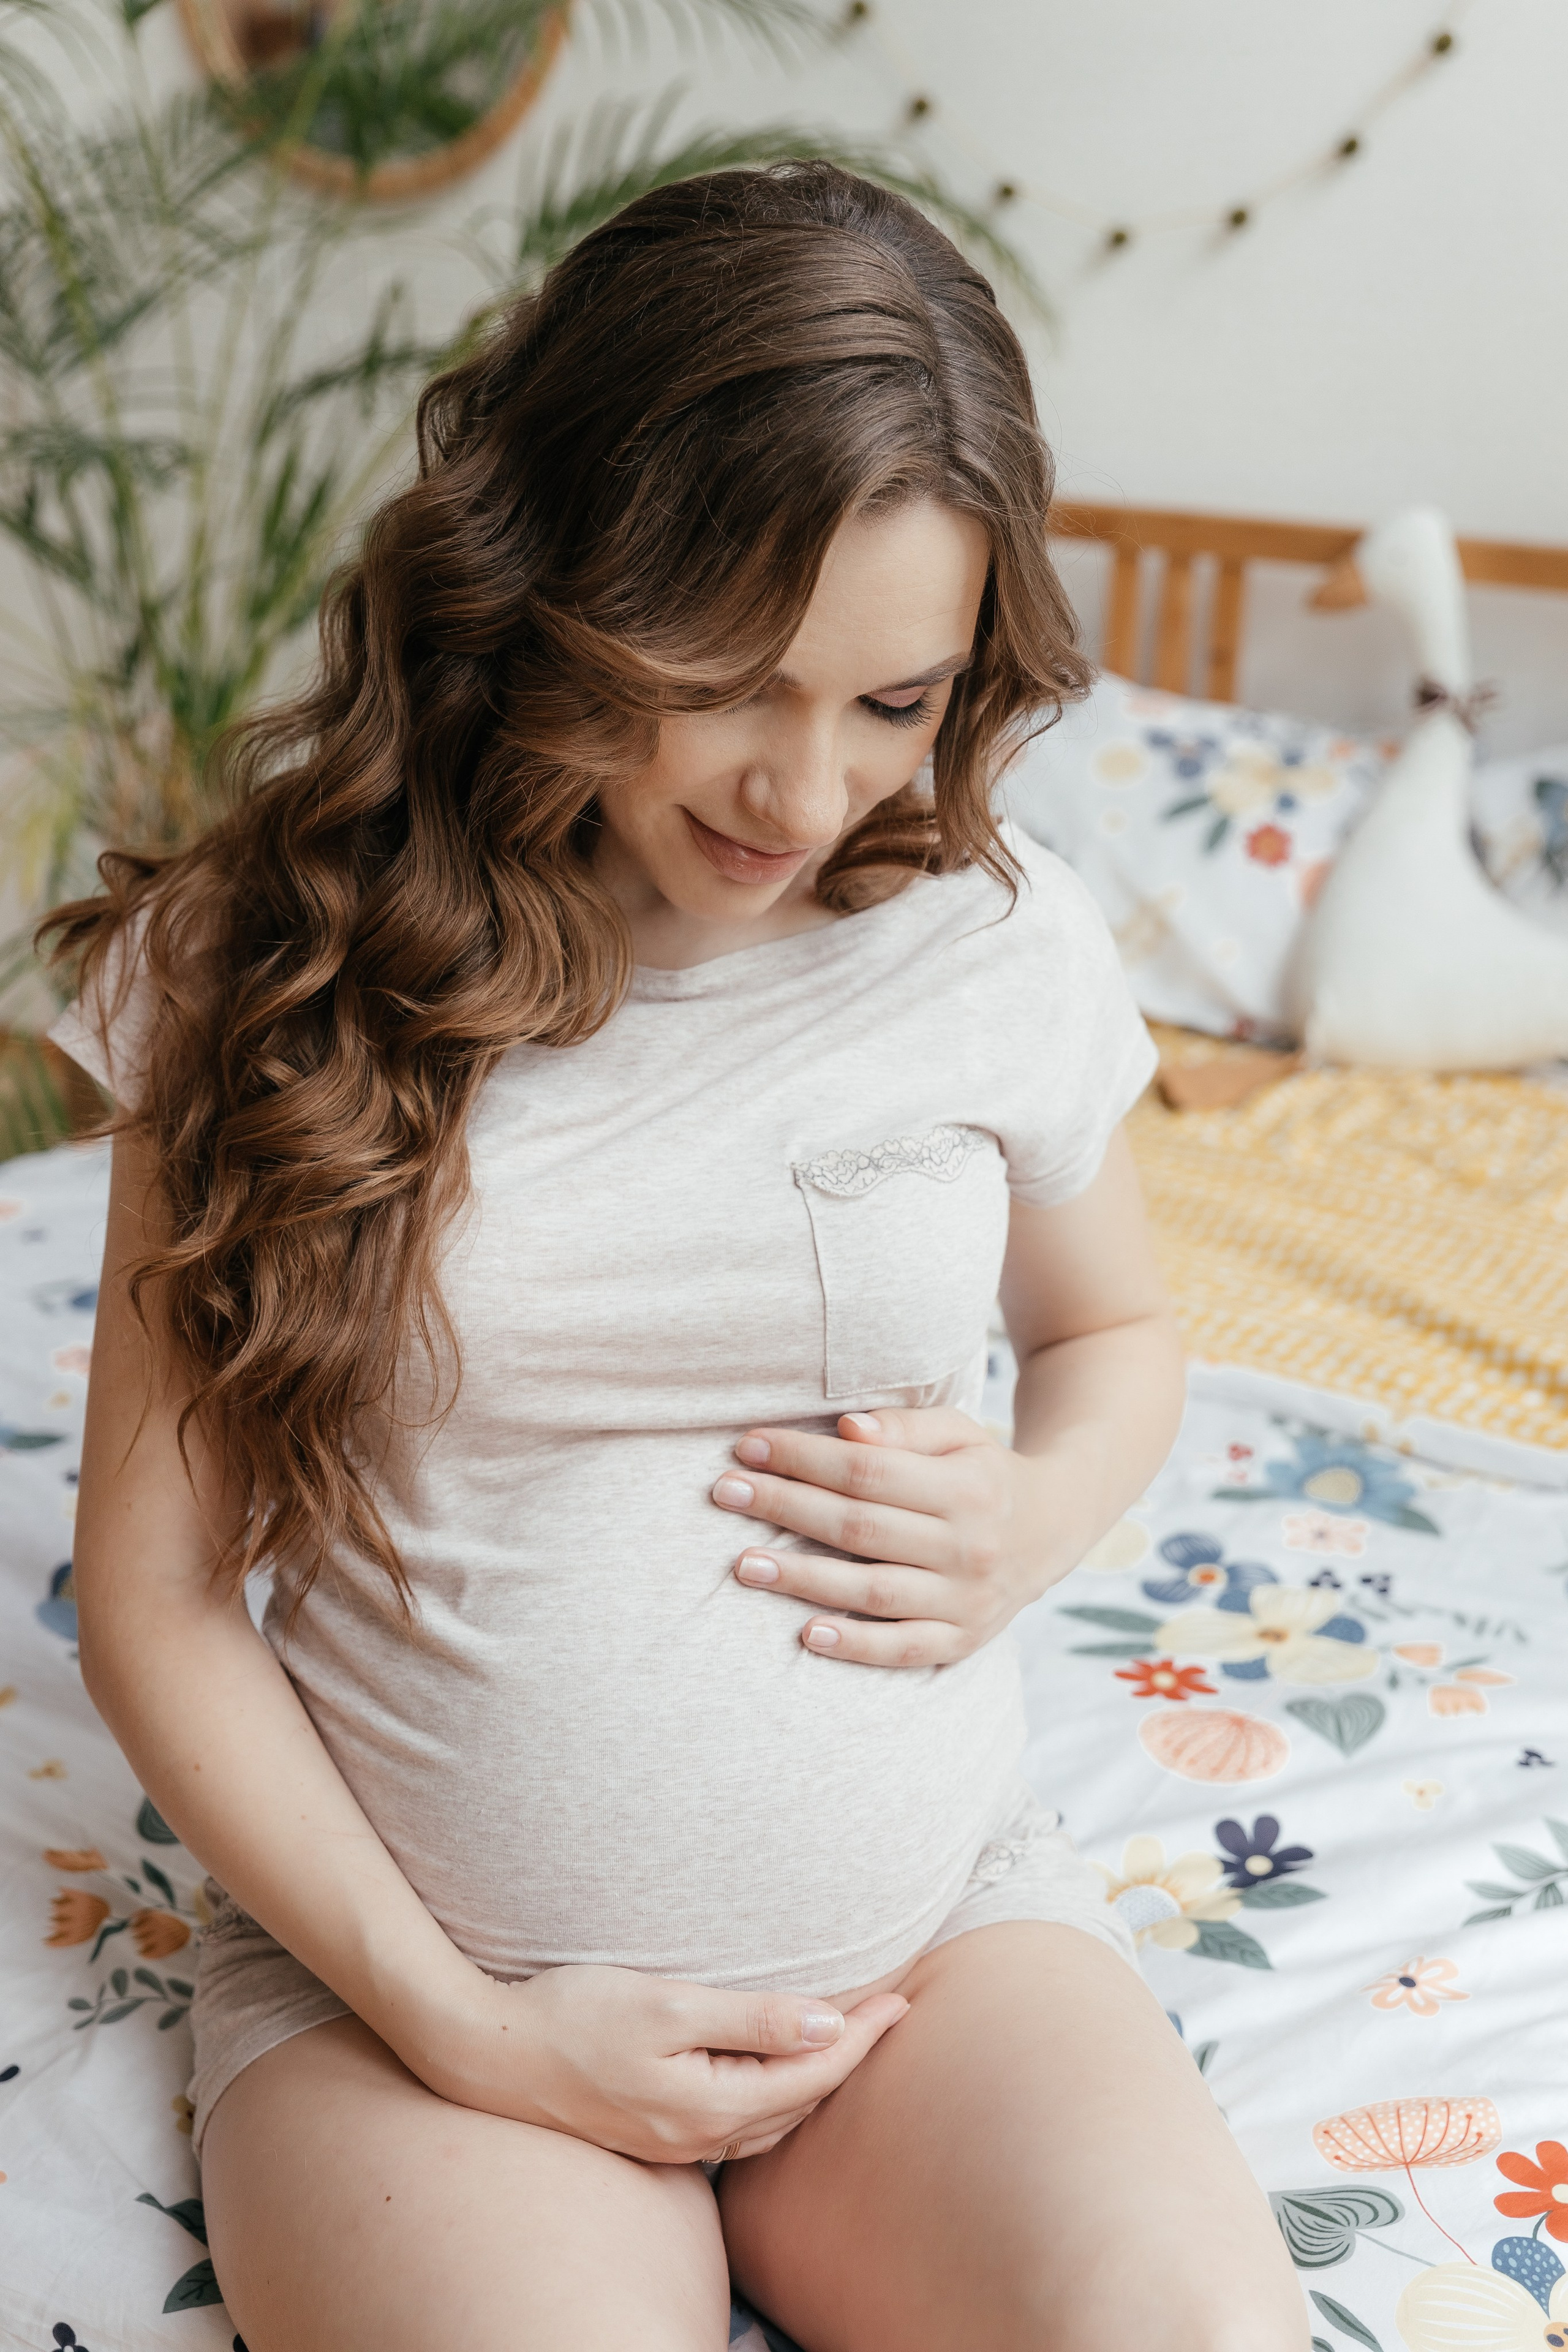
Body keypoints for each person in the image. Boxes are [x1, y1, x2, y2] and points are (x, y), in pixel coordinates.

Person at [46, 164, 1308, 2351]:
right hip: (430, 2009)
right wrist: (461, 2026)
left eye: (897, 703)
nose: (806, 789)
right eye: (733, 677)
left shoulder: (994, 943)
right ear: (563, 578)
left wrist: (1027, 1512)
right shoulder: (259, 964)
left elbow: (1115, 1330)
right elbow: (154, 1595)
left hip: (927, 1961)